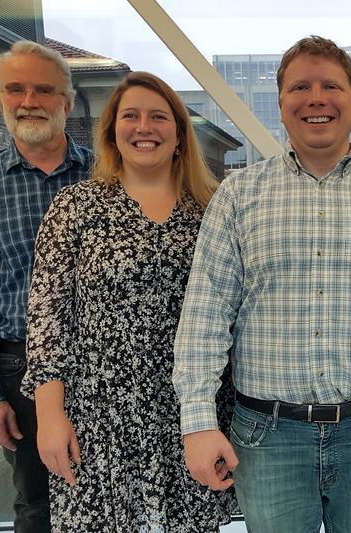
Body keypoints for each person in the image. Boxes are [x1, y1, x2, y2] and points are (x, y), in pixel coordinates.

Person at [173, 36, 351, 533]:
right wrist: (197, 421)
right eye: (300, 86)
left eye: (331, 86)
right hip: (267, 435)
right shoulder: (238, 195)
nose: (316, 98)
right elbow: (205, 316)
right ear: (280, 103)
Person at [20, 72, 237, 532]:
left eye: (158, 117)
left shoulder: (213, 210)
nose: (144, 127)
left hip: (190, 412)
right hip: (98, 416)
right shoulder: (75, 207)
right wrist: (49, 414)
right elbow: (46, 318)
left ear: (179, 135)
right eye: (131, 116)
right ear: (113, 132)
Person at [0, 40, 92, 532]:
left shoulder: (106, 175)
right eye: (16, 89)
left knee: (113, 493)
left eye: (44, 89)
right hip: (20, 369)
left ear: (67, 102)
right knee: (38, 504)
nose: (30, 100)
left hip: (103, 361)